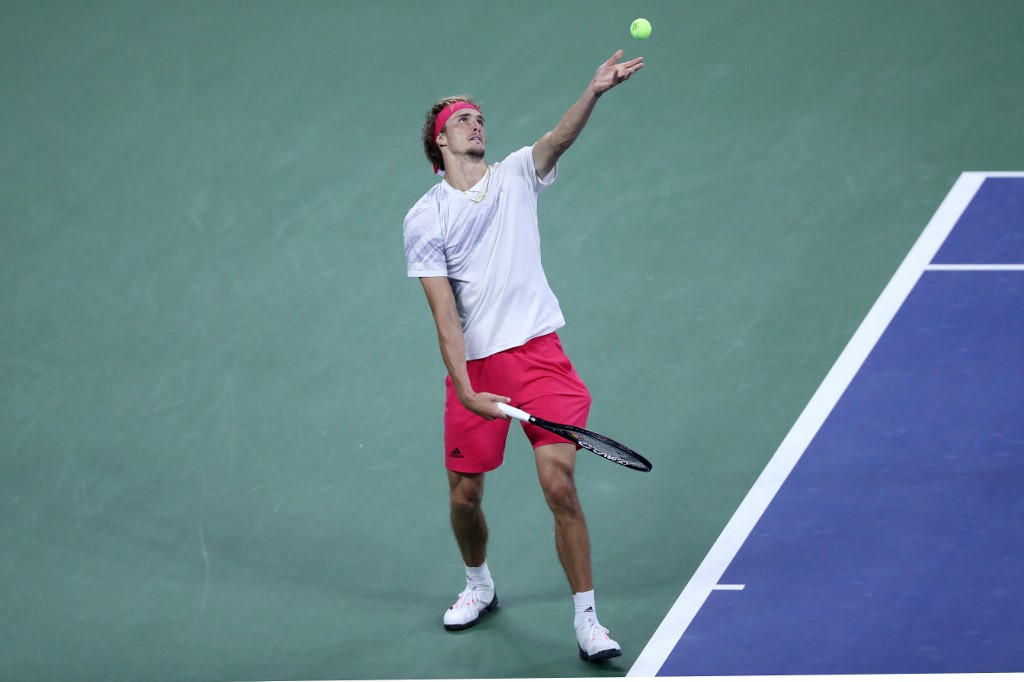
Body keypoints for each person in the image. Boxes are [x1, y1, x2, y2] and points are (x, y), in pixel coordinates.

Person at [403, 49, 644, 662]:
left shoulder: (514, 174)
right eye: (462, 120)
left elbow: (557, 139)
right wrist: (465, 389)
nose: (476, 124)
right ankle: (479, 584)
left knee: (558, 485)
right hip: (477, 366)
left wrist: (593, 91)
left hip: (539, 358)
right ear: (441, 140)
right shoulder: (424, 219)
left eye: (479, 118)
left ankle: (588, 620)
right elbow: (444, 314)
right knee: (465, 496)